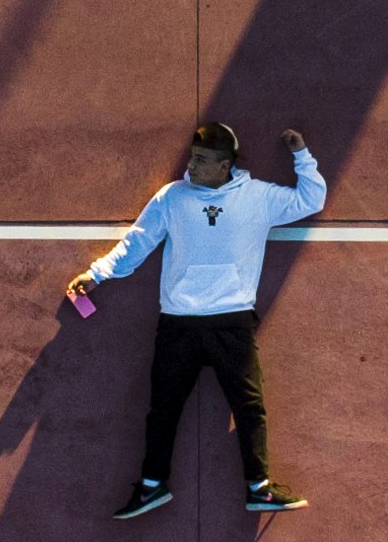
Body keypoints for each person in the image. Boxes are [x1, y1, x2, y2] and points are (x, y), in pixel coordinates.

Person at [67, 122, 324, 519]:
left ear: (225, 165)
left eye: (202, 160)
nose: (192, 164)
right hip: (179, 320)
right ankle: (152, 486)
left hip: (231, 321)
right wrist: (96, 273)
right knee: (163, 409)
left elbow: (312, 199)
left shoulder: (257, 198)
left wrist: (301, 155)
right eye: (193, 156)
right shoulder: (172, 198)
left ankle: (260, 488)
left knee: (250, 406)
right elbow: (137, 242)